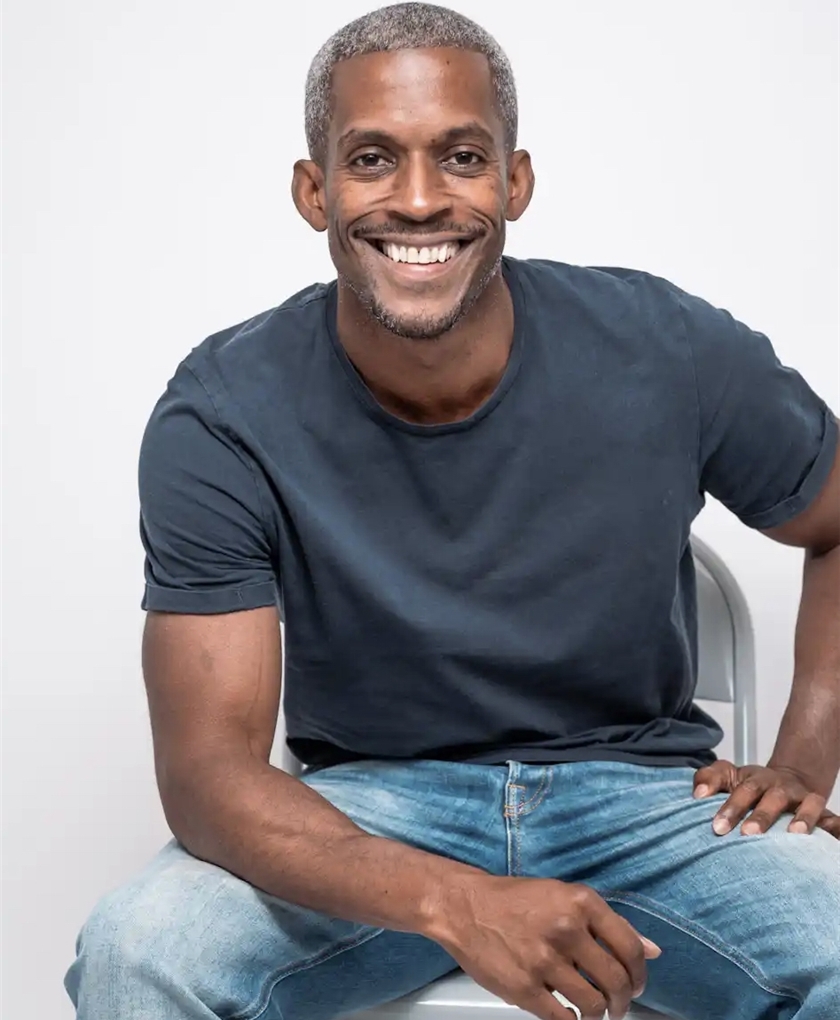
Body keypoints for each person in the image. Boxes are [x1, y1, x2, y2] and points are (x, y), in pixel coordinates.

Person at [65, 4, 840, 1019]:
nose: (421, 200)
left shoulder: (667, 348)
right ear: (315, 191)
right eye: (373, 160)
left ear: (515, 182)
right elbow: (209, 774)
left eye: (462, 157)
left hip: (647, 804)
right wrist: (459, 901)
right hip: (369, 811)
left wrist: (804, 759)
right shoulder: (224, 411)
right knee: (138, 953)